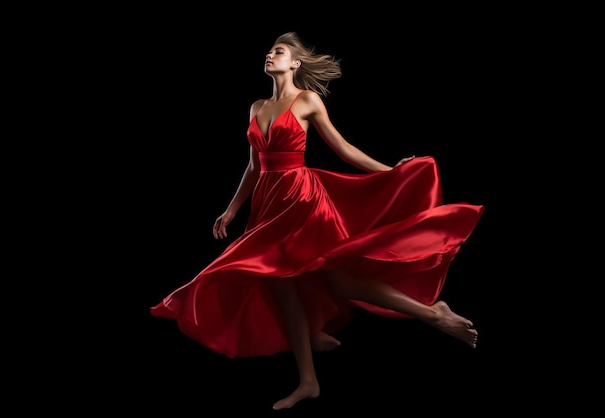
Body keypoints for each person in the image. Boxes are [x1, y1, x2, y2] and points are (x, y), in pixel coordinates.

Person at [150, 31, 484, 410]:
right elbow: (253, 165)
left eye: (279, 51)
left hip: (303, 199)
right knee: (281, 285)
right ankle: (308, 380)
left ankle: (433, 315)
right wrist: (231, 208)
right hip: (269, 203)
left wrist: (391, 171)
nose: (270, 54)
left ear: (294, 63)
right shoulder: (256, 107)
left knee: (338, 280)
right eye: (269, 50)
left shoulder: (308, 100)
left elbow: (343, 148)